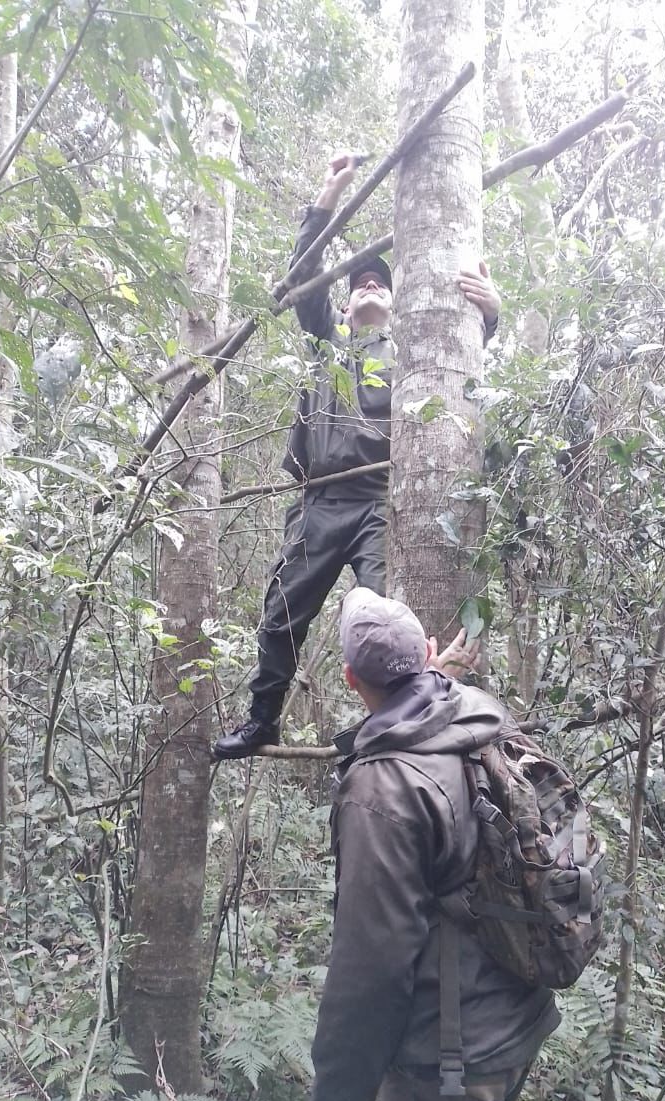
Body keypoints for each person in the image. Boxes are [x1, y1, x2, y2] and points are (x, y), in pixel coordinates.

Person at [309, 587, 561, 1101]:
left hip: (452, 1054)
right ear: (428, 656)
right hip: (516, 1014)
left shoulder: (383, 789)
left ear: (349, 680)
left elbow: (372, 966)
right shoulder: (481, 717)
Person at [213, 153, 501, 759]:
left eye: (380, 283)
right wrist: (329, 191)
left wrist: (488, 316)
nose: (369, 286)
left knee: (393, 626)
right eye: (358, 285)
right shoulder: (325, 346)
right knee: (283, 612)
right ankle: (262, 719)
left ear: (399, 305)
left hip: (378, 501)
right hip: (320, 500)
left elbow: (460, 377)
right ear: (343, 307)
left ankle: (407, 724)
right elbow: (304, 274)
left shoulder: (414, 351)